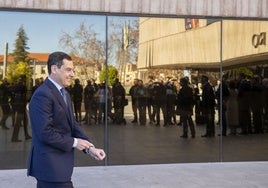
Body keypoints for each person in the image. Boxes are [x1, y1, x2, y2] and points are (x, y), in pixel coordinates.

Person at [27, 51, 105, 188]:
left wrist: (90, 148)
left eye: (73, 70)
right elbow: (45, 133)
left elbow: (73, 126)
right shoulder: (43, 95)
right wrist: (75, 143)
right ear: (54, 69)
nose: (72, 74)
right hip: (50, 168)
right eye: (68, 70)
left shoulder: (64, 94)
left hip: (60, 169)